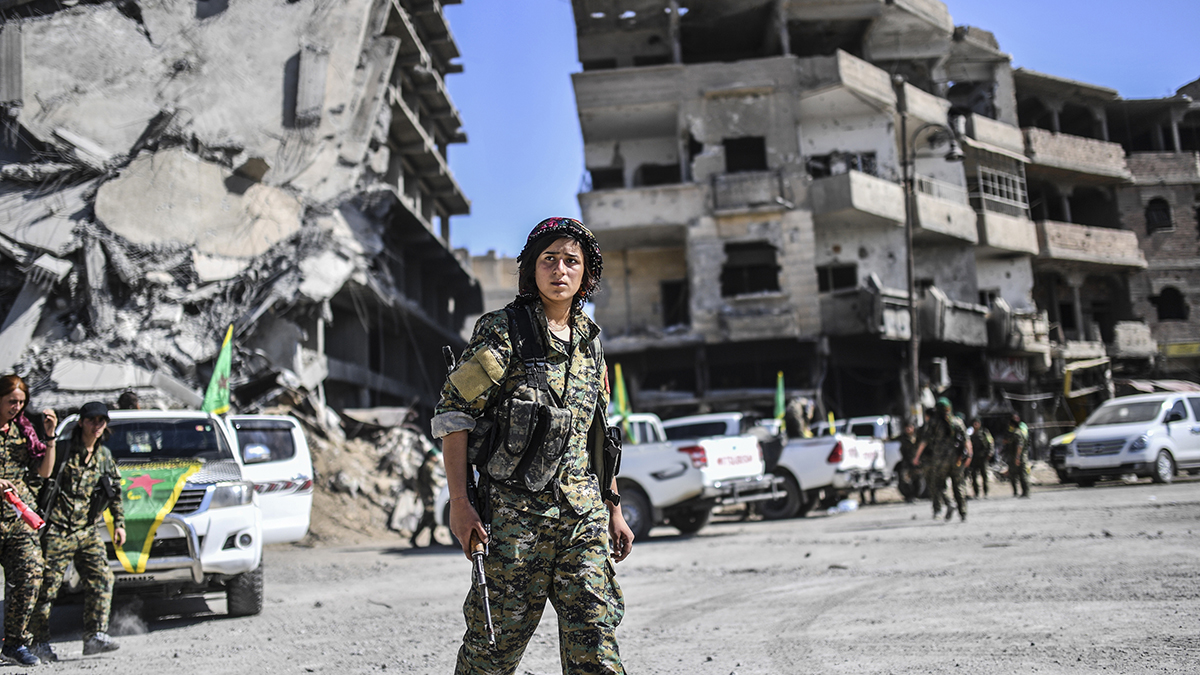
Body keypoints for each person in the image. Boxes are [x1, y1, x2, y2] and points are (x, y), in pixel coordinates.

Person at [432, 217, 634, 675]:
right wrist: (460, 503)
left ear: (586, 274)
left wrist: (613, 506)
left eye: (571, 261)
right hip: (513, 523)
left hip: (583, 518)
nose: (559, 270)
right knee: (492, 651)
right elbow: (454, 417)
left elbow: (599, 434)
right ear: (531, 269)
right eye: (549, 260)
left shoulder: (590, 342)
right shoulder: (501, 332)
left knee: (596, 645)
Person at [29, 401, 125, 661]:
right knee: (47, 588)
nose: (97, 425)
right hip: (58, 529)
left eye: (101, 421)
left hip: (87, 529)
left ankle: (94, 635)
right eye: (92, 420)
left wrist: (119, 523)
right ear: (81, 422)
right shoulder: (62, 451)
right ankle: (38, 641)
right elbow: (40, 480)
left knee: (102, 579)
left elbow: (114, 491)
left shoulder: (104, 455)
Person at [0, 374, 56, 666]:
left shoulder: (23, 430)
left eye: (21, 402)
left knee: (31, 573)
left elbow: (44, 472)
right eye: (11, 401)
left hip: (18, 519)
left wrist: (49, 436)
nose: (16, 407)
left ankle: (15, 642)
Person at [912, 397, 971, 522]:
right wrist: (969, 455)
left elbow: (924, 441)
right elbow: (966, 441)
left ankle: (949, 503)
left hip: (940, 461)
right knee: (959, 486)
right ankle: (963, 512)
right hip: (957, 460)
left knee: (937, 485)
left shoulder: (934, 423)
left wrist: (917, 457)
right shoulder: (958, 422)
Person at [409, 439, 443, 548]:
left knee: (432, 516)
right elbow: (433, 480)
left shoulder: (423, 466)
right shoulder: (429, 466)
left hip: (426, 495)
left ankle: (432, 538)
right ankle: (414, 538)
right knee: (428, 516)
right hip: (428, 496)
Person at [1004, 413, 1031, 498]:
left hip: (1019, 457)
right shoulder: (1016, 432)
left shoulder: (1017, 433)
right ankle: (1019, 492)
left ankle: (1026, 492)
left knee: (1022, 475)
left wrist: (1017, 457)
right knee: (1013, 474)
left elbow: (1020, 445)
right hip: (1015, 457)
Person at [895, 420, 921, 503]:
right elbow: (892, 439)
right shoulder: (902, 437)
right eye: (907, 428)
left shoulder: (918, 437)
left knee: (917, 479)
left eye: (910, 428)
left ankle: (915, 495)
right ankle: (908, 496)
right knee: (904, 480)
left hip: (916, 462)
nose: (908, 430)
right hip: (906, 462)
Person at [967, 418, 994, 499]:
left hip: (983, 457)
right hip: (974, 458)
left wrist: (990, 453)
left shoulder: (984, 433)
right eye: (974, 423)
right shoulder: (970, 433)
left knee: (984, 476)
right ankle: (976, 493)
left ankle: (986, 492)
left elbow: (990, 442)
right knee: (973, 476)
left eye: (977, 423)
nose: (975, 425)